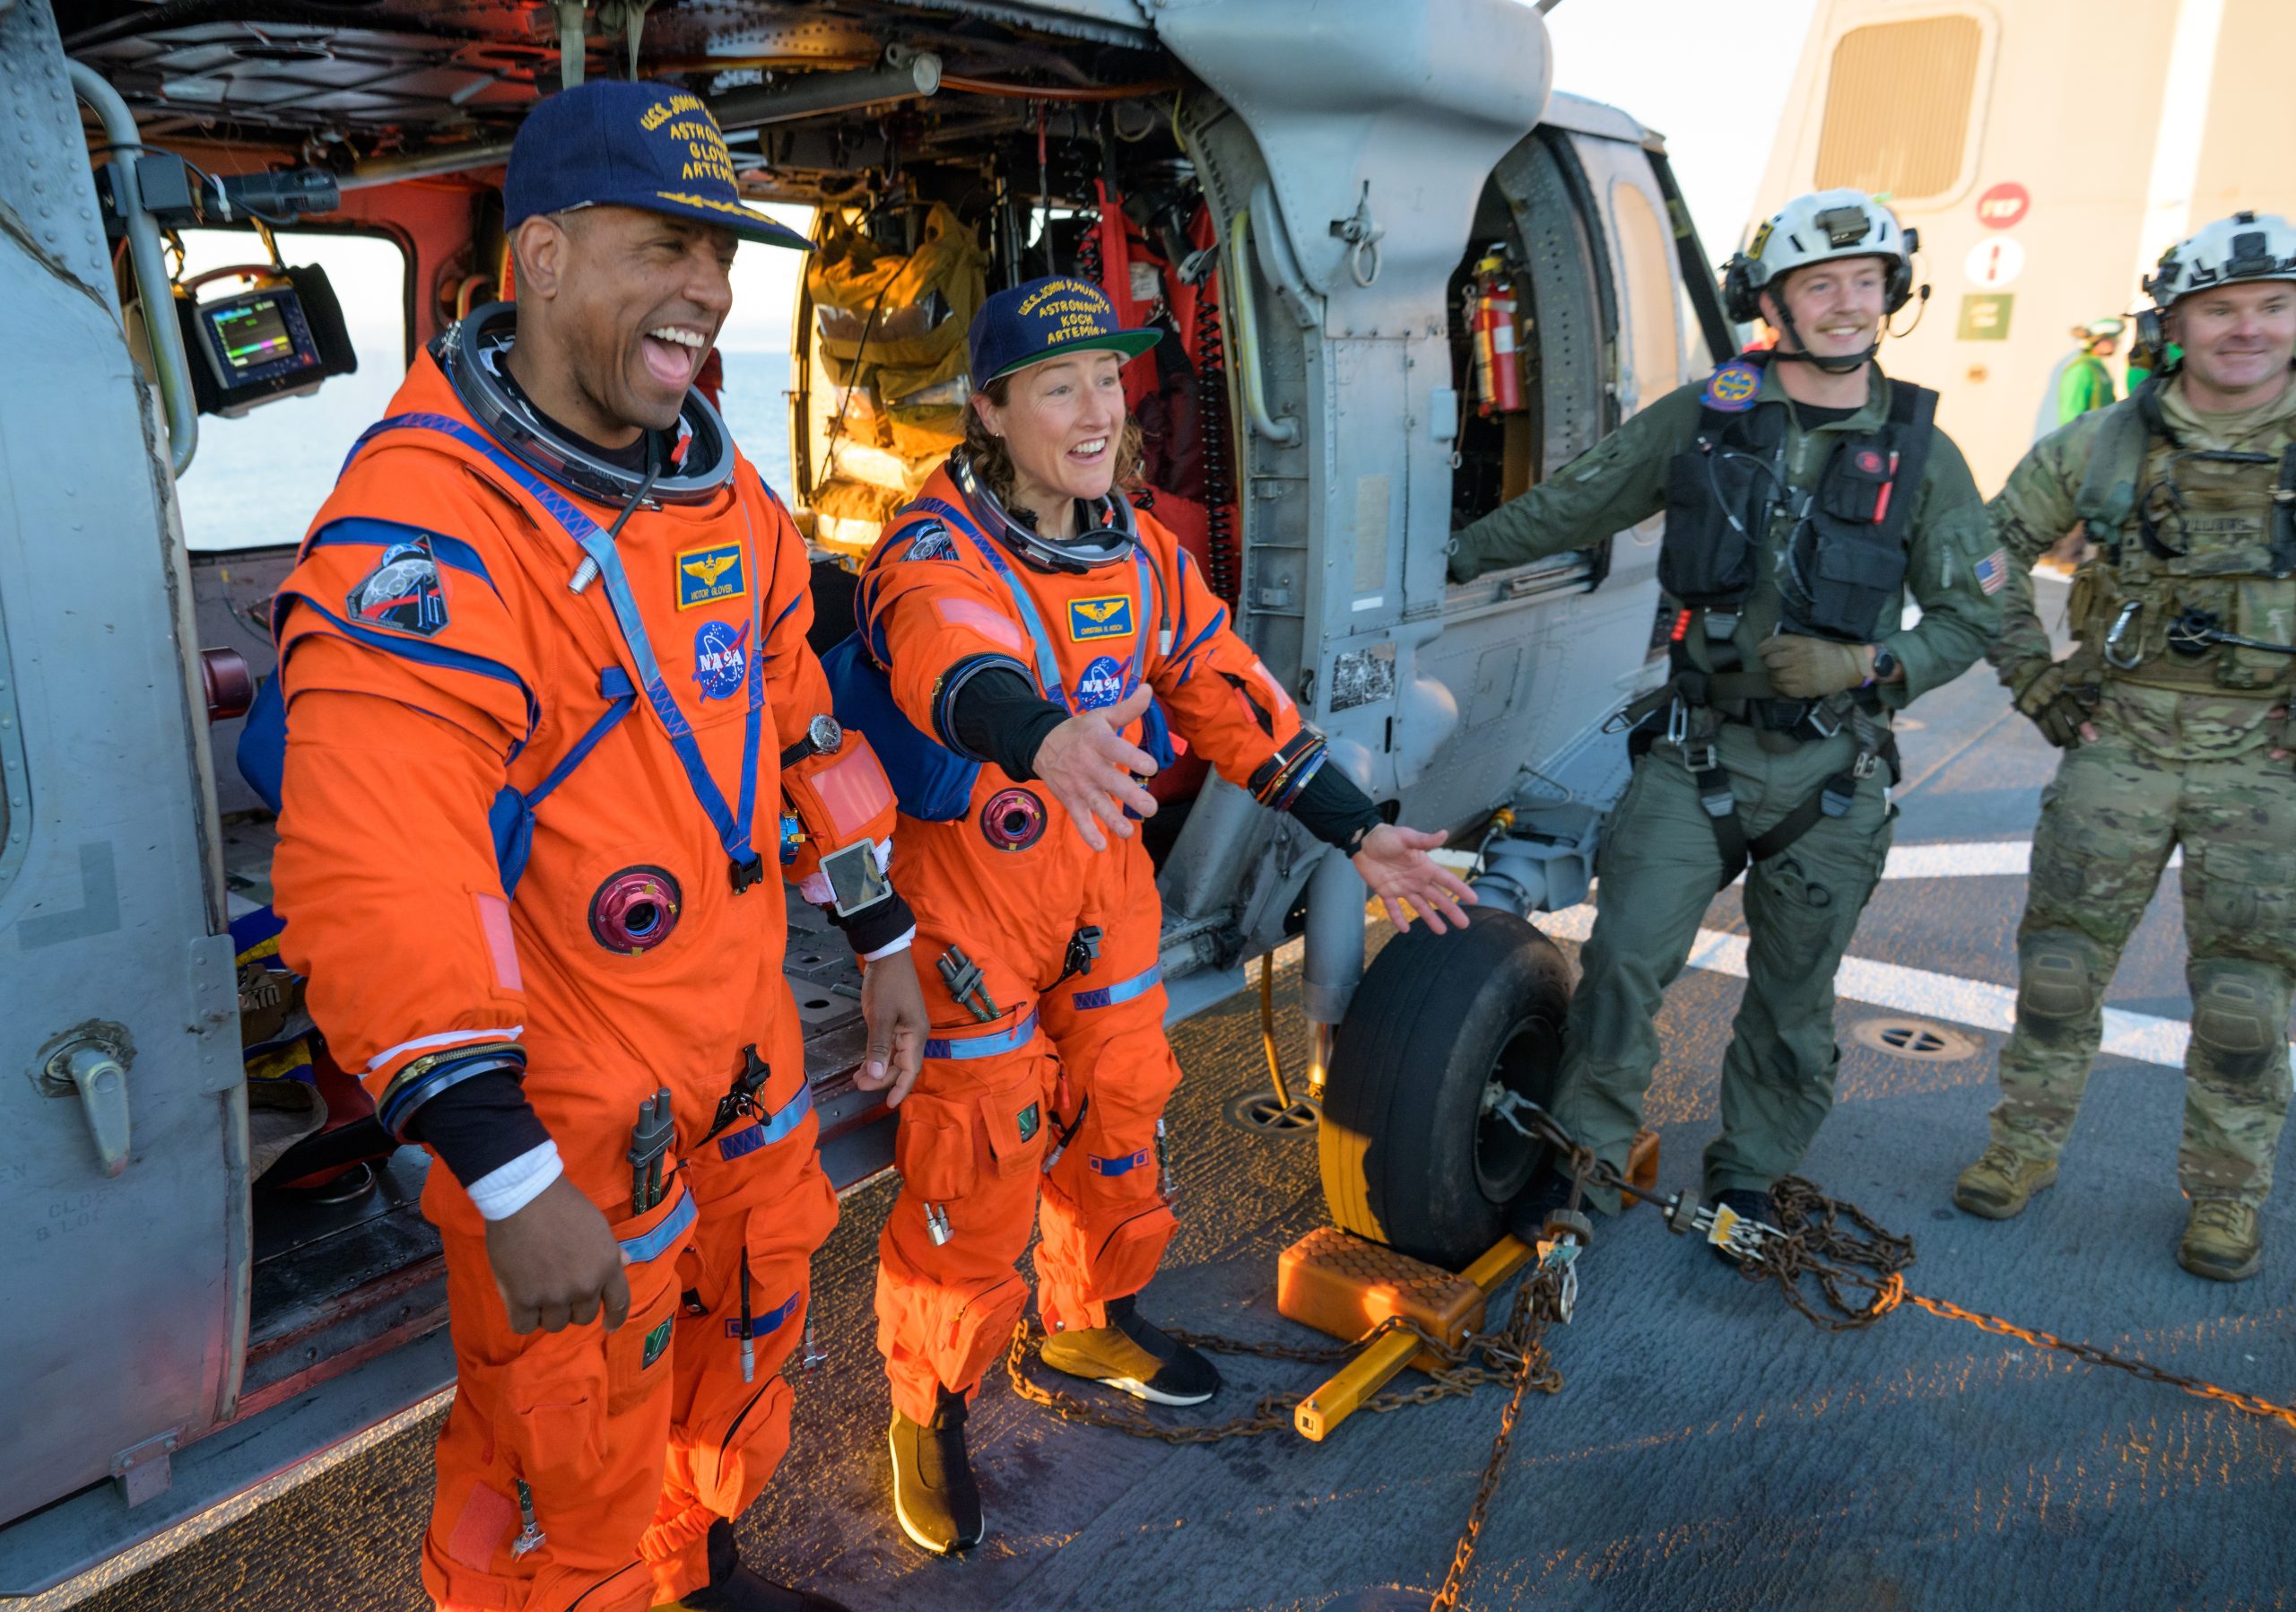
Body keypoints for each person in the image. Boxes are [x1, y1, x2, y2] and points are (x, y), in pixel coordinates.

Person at [264, 81, 930, 1612]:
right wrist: (505, 1172)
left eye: (721, 254)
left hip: (738, 1040)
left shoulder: (725, 491)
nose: (707, 288)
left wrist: (882, 931)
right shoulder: (422, 529)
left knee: (746, 1328)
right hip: (565, 1090)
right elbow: (382, 870)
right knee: (559, 1440)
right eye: (662, 247)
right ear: (545, 255)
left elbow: (803, 725)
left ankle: (693, 1567)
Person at [833, 276, 1475, 1555]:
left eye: (1107, 381)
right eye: (1057, 385)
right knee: (981, 1156)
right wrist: (1042, 735)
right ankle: (931, 1401)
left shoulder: (1141, 555)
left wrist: (1359, 830)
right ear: (989, 409)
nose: (1096, 411)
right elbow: (950, 660)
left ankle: (1088, 1319)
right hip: (972, 902)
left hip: (1103, 888)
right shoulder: (931, 548)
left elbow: (1229, 693)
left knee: (1122, 1104)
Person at [1448, 188, 2001, 1242]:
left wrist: (1869, 662)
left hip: (1830, 770)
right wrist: (1456, 556)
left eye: (1866, 282)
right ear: (1772, 300)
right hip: (1697, 755)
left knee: (1793, 997)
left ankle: (1750, 1171)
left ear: (1895, 293)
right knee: (1621, 966)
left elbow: (1976, 614)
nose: (1847, 304)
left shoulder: (1923, 451)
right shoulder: (1708, 413)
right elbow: (1581, 499)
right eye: (1819, 284)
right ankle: (1583, 1165)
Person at [1956, 210, 2296, 1283]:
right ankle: (2021, 1145)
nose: (2247, 328)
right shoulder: (2102, 446)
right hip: (2120, 747)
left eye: (2273, 306)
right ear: (2173, 324)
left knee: (2245, 1003)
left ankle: (2226, 1196)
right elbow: (1982, 553)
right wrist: (2034, 677)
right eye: (2219, 308)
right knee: (2058, 973)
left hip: (2263, 765)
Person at [2035, 317, 2125, 438]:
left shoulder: (2098, 367)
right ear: (2096, 341)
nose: (2116, 342)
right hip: (2086, 442)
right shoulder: (2081, 369)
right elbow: (2071, 417)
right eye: (2110, 338)